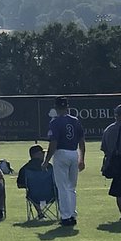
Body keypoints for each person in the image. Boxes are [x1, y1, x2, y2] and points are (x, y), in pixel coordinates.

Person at [44, 97, 86, 227]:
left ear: (56, 108)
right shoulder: (75, 121)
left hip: (61, 153)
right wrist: (82, 158)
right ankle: (72, 214)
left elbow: (53, 143)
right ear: (67, 107)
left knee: (62, 187)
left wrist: (46, 160)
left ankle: (66, 217)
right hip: (74, 153)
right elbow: (82, 141)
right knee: (71, 187)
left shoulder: (55, 122)